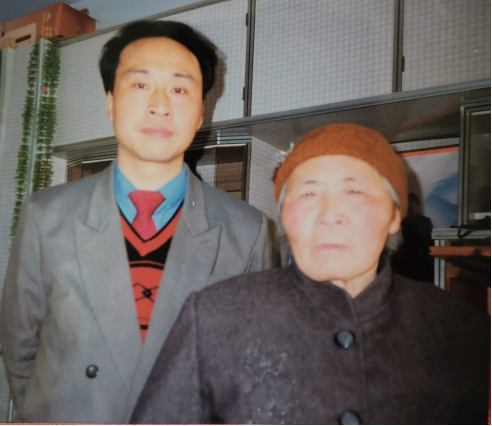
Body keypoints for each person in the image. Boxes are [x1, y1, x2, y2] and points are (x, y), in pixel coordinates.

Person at [0, 20, 271, 423]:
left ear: (201, 112)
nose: (160, 104)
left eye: (180, 89)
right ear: (110, 102)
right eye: (141, 84)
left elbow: (250, 366)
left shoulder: (246, 232)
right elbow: (19, 348)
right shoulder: (46, 216)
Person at [132, 124, 489, 425]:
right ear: (283, 216)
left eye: (354, 190)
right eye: (308, 192)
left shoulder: (461, 330)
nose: (329, 214)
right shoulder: (213, 317)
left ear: (395, 216)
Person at [392, 192, 435, 283]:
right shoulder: (401, 222)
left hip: (422, 261)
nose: (410, 206)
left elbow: (430, 242)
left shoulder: (425, 222)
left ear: (416, 204)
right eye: (408, 203)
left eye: (412, 202)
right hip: (404, 262)